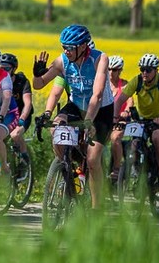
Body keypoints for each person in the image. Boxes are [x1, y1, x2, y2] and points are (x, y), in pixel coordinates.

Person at [33, 24, 114, 209]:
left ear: (83, 46)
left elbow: (97, 95)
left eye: (70, 47)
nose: (66, 51)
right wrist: (37, 75)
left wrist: (88, 121)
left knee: (92, 160)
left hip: (101, 109)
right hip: (76, 106)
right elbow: (39, 85)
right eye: (63, 47)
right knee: (56, 127)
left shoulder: (99, 59)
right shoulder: (62, 61)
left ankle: (96, 208)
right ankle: (67, 173)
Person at [114, 54, 159, 187]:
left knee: (157, 136)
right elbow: (120, 100)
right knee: (134, 143)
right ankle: (136, 172)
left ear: (156, 70)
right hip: (142, 119)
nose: (144, 73)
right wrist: (115, 117)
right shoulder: (137, 80)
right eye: (142, 69)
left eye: (148, 70)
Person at [107, 55, 133, 183]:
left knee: (115, 137)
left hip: (120, 119)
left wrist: (126, 111)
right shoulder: (103, 84)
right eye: (109, 69)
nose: (111, 72)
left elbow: (130, 101)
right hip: (106, 119)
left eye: (115, 70)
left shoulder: (124, 85)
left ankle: (116, 168)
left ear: (120, 70)